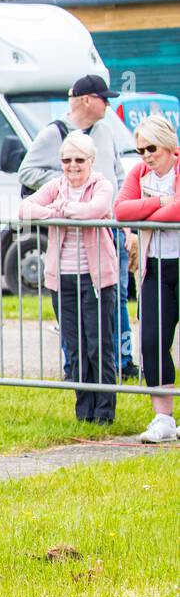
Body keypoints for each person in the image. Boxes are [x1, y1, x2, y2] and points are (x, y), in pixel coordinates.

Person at [21, 74, 131, 375]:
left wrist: (125, 223)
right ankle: (77, 371)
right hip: (72, 248)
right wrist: (69, 186)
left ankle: (122, 361)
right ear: (87, 100)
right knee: (76, 322)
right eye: (104, 98)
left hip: (109, 231)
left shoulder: (106, 132)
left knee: (115, 298)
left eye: (80, 161)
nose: (108, 104)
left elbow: (119, 177)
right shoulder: (53, 134)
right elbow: (27, 172)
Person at [18, 132, 118, 424]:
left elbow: (95, 210)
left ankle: (104, 412)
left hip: (96, 277)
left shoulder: (101, 184)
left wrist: (64, 210)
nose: (72, 166)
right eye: (66, 160)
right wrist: (54, 210)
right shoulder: (55, 186)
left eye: (78, 160)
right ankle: (83, 411)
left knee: (98, 344)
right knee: (74, 347)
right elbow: (25, 208)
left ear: (91, 161)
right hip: (62, 279)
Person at [115, 113, 180, 442]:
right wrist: (159, 203)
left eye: (151, 148)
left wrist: (148, 213)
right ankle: (163, 416)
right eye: (140, 150)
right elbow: (122, 210)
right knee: (153, 341)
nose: (146, 156)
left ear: (169, 147)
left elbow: (178, 210)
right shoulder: (139, 173)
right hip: (155, 265)